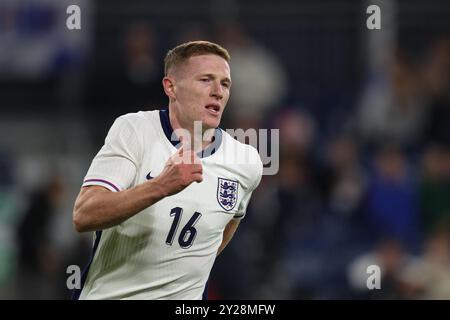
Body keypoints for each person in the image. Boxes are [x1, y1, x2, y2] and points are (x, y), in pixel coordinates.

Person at [72, 41, 263, 300]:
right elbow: (84, 214)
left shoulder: (246, 161)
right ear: (171, 87)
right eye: (206, 80)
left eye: (225, 83)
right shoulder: (134, 130)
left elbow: (221, 233)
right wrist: (161, 186)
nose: (218, 92)